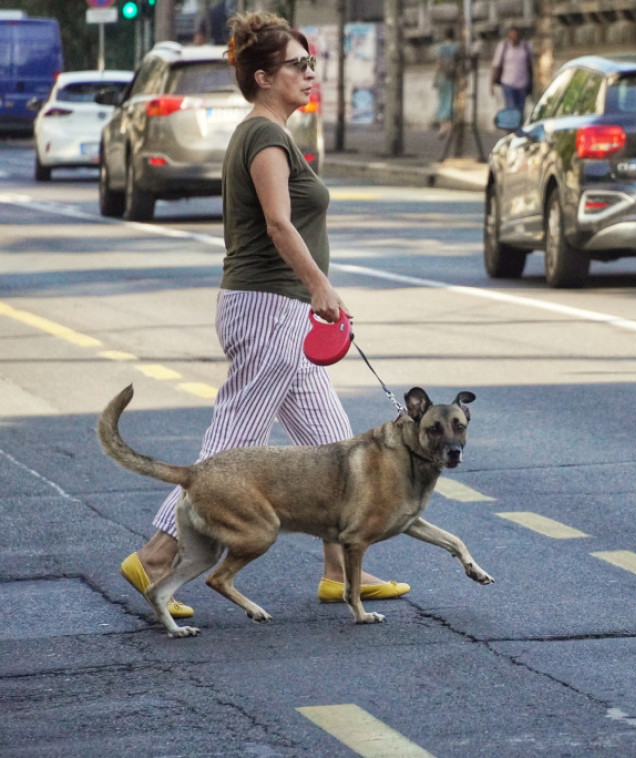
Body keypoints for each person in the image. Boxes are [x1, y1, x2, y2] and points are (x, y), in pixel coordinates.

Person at [120, 10, 409, 621]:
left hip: (281, 308)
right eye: (298, 65)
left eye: (310, 62)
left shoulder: (271, 132)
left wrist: (311, 293)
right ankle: (157, 553)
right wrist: (320, 284)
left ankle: (339, 572)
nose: (310, 73)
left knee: (333, 444)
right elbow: (278, 223)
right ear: (262, 76)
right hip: (268, 305)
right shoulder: (264, 136)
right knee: (236, 438)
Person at [490, 26, 533, 122]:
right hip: (508, 83)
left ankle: (519, 130)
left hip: (522, 84)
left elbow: (531, 64)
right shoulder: (504, 47)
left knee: (520, 110)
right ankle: (511, 129)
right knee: (511, 108)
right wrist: (491, 84)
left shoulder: (526, 47)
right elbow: (496, 65)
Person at [433, 27, 460, 136]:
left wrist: (435, 78)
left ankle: (443, 125)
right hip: (452, 77)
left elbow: (438, 64)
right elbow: (459, 65)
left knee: (442, 100)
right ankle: (448, 124)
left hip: (442, 77)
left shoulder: (440, 48)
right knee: (450, 100)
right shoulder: (456, 48)